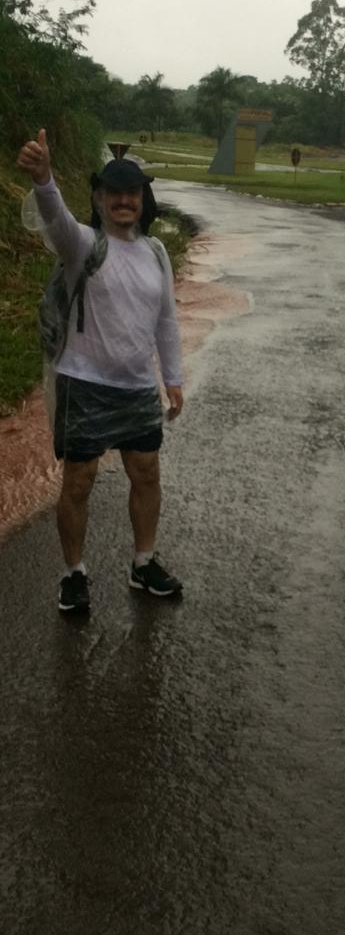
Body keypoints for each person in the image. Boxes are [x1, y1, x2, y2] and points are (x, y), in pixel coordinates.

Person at [17, 129, 184, 614]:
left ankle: (143, 563)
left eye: (132, 193)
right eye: (114, 193)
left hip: (137, 387)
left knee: (146, 474)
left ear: (143, 200)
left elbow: (166, 320)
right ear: (99, 199)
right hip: (84, 383)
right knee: (79, 482)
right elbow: (56, 219)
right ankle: (74, 573)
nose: (124, 201)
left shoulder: (156, 253)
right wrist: (45, 179)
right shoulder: (84, 246)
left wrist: (172, 377)